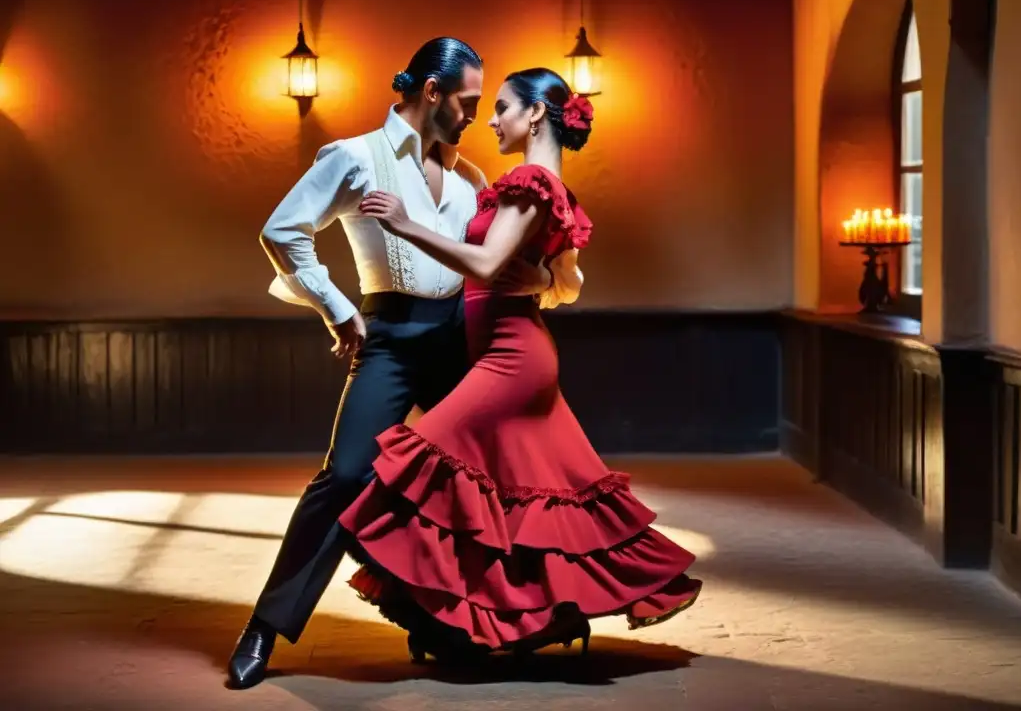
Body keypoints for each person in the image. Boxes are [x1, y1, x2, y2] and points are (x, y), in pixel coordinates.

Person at [228, 39, 584, 690]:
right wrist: (338, 310)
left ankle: (492, 623)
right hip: (389, 335)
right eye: (469, 102)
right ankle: (266, 627)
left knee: (496, 476)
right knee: (346, 477)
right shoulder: (353, 157)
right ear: (432, 93)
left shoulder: (474, 177)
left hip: (461, 338)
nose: (476, 115)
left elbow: (495, 260)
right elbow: (283, 231)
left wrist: (539, 275)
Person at [338, 68, 703, 663]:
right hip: (509, 352)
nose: (491, 118)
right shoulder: (542, 184)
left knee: (420, 463)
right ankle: (507, 625)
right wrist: (533, 276)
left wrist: (404, 224)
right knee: (520, 502)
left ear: (535, 115)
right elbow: (547, 279)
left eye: (502, 107)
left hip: (512, 359)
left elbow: (484, 266)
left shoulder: (532, 180)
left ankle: (459, 623)